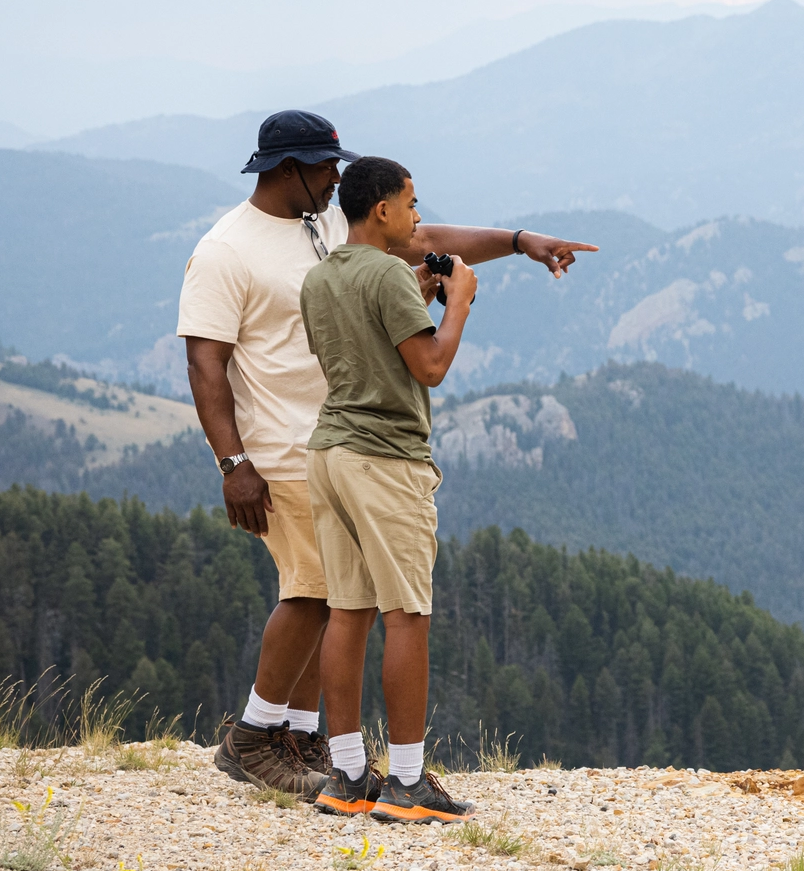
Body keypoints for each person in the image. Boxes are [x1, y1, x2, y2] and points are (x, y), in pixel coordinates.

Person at [179, 112, 596, 799]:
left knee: (335, 599)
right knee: (321, 594)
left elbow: (417, 240)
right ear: (287, 171)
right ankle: (257, 736)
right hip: (285, 448)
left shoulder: (323, 227)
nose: (335, 178)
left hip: (329, 439)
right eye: (324, 168)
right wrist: (233, 464)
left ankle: (311, 740)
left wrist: (522, 242)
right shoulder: (226, 250)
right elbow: (204, 365)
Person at [298, 155, 483, 822]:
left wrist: (419, 300)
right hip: (386, 459)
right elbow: (429, 367)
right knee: (407, 613)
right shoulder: (389, 276)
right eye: (411, 204)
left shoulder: (321, 279)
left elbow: (358, 352)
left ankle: (347, 776)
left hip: (329, 454)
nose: (418, 217)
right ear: (381, 209)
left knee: (348, 609)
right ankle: (407, 781)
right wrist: (456, 304)